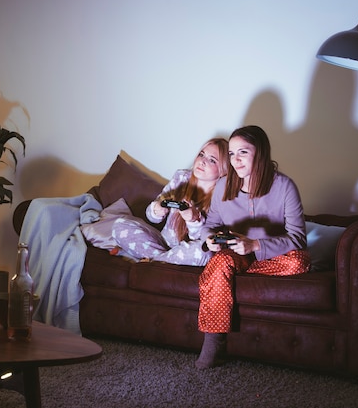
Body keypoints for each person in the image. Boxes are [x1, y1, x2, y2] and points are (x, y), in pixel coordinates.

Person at [195, 125, 311, 369]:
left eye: (243, 153)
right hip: (233, 255)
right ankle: (214, 343)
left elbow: (298, 239)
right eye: (232, 154)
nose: (235, 160)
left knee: (300, 261)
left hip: (270, 258)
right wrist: (209, 239)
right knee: (220, 262)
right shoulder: (223, 185)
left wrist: (256, 244)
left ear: (260, 153)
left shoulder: (285, 187)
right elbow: (211, 224)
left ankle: (228, 276)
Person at [111, 137, 228, 266]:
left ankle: (151, 262)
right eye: (201, 154)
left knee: (204, 253)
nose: (202, 161)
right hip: (162, 242)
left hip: (188, 251)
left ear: (223, 169)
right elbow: (152, 218)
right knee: (119, 225)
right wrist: (157, 209)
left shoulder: (222, 196)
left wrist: (193, 219)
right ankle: (162, 260)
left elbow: (200, 238)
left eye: (212, 160)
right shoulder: (181, 177)